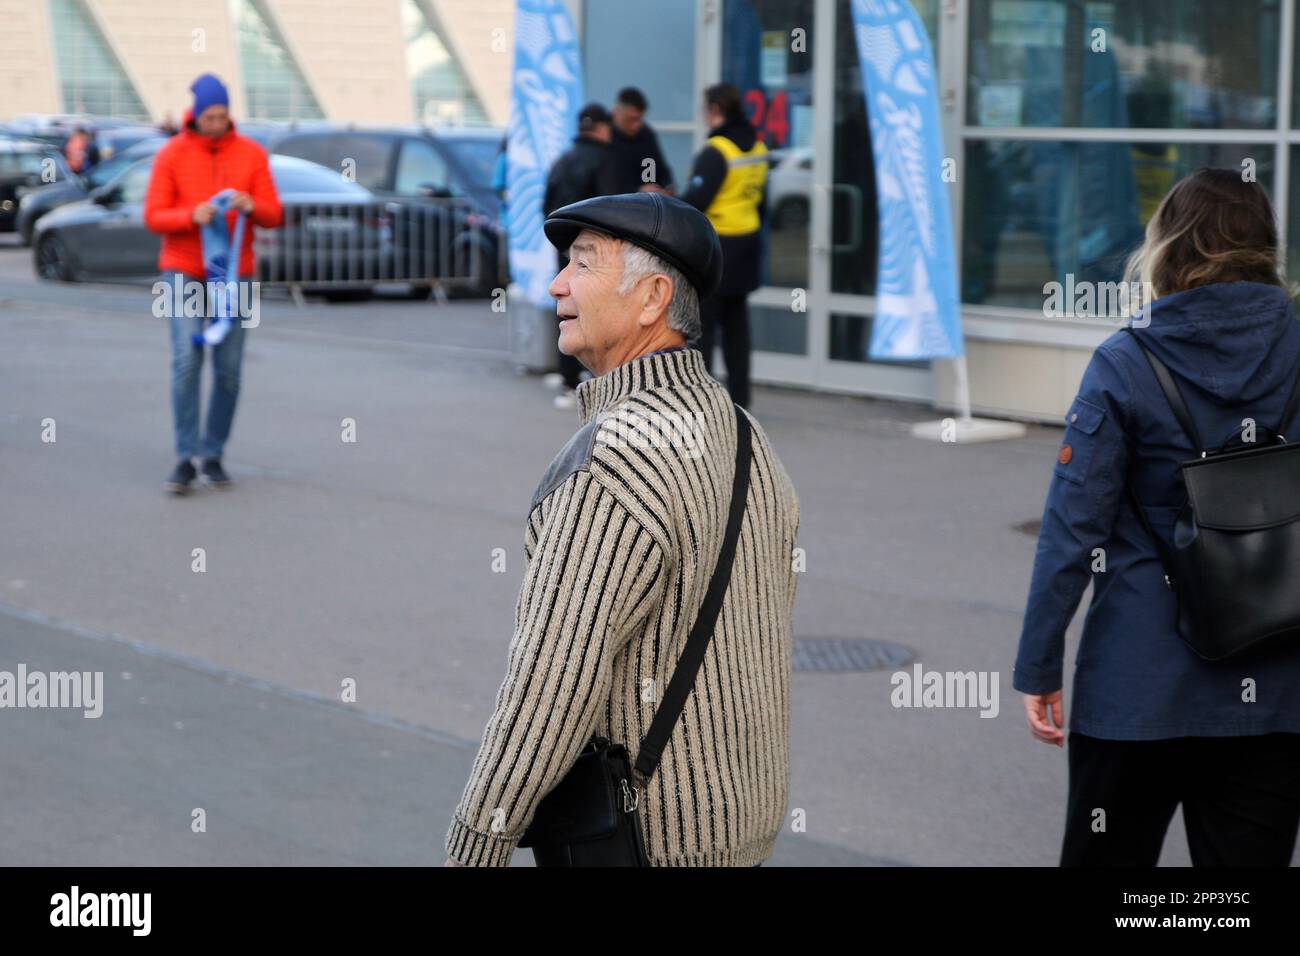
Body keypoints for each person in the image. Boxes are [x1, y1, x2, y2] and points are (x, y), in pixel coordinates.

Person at [443, 192, 801, 867]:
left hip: (650, 841)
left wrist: (474, 846)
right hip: (741, 827)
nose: (556, 283)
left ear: (652, 297)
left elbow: (551, 686)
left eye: (582, 263)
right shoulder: (747, 436)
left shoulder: (616, 458)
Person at [1014, 168, 1300, 867]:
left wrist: (1039, 663)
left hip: (1136, 689)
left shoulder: (1126, 360)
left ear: (1167, 249)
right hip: (1276, 689)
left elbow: (1072, 529)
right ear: (1265, 248)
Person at [143, 73, 283, 494]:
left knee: (230, 371)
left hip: (236, 273)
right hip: (184, 269)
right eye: (210, 116)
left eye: (223, 116)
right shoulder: (171, 155)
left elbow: (275, 213)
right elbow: (153, 215)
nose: (216, 123)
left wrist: (251, 204)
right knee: (186, 360)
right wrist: (191, 216)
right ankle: (185, 456)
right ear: (196, 114)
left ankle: (214, 453)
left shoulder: (252, 154)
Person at [682, 83, 768, 409]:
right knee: (737, 331)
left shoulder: (717, 151)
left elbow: (696, 201)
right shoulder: (757, 145)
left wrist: (668, 200)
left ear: (716, 108)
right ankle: (741, 402)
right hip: (747, 244)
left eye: (705, 107)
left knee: (703, 330)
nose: (704, 115)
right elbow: (761, 201)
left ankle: (702, 405)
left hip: (718, 248)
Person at [542, 103, 623, 409]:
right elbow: (613, 210)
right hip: (596, 252)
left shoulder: (562, 160)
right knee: (596, 307)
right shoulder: (606, 160)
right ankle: (596, 377)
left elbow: (546, 207)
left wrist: (564, 244)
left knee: (565, 305)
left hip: (564, 247)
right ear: (603, 128)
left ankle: (567, 378)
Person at [608, 86, 675, 195]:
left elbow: (659, 170)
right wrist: (637, 191)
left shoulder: (646, 135)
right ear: (616, 113)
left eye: (639, 119)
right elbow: (602, 185)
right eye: (631, 119)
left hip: (647, 205)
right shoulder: (604, 137)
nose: (636, 125)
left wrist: (667, 187)